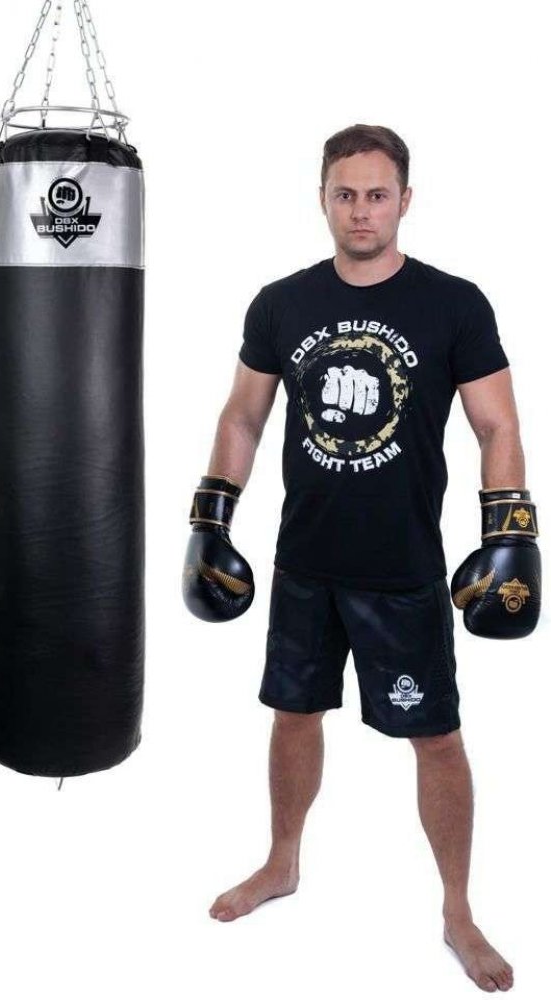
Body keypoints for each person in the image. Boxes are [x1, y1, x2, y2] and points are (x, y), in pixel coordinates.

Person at [193, 124, 526, 992]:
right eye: (345, 194)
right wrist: (210, 517)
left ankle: (457, 910)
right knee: (291, 714)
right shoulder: (281, 303)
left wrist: (509, 533)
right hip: (304, 562)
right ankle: (281, 862)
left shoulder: (453, 304)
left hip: (402, 568)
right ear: (322, 199)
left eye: (377, 194)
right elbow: (242, 416)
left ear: (404, 200)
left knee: (435, 737)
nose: (361, 211)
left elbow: (496, 425)